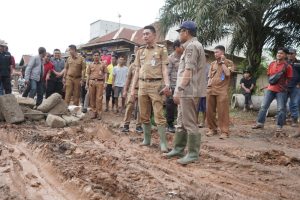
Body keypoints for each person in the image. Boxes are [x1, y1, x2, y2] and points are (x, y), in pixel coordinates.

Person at [165, 21, 206, 165]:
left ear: (186, 32)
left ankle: (193, 154)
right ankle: (178, 149)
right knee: (181, 122)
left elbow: (188, 71)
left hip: (189, 90)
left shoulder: (192, 47)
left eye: (180, 32)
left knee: (189, 122)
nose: (179, 35)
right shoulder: (191, 46)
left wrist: (179, 89)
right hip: (187, 90)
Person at [130, 25, 171, 152]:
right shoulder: (140, 51)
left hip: (156, 85)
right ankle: (146, 139)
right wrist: (133, 88)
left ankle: (163, 143)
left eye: (147, 34)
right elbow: (137, 70)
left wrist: (167, 84)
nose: (145, 36)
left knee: (159, 115)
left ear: (154, 35)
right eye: (144, 34)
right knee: (143, 114)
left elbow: (164, 68)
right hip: (142, 85)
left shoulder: (161, 49)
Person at [252, 47, 293, 134]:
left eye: (281, 53)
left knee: (281, 109)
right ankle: (260, 123)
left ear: (285, 55)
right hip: (270, 89)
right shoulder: (271, 64)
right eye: (278, 53)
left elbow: (289, 78)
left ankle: (279, 127)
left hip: (281, 91)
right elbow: (269, 75)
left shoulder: (288, 66)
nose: (279, 54)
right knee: (263, 106)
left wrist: (284, 87)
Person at [206, 45, 235, 139]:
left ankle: (224, 132)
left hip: (222, 91)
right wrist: (208, 86)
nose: (215, 54)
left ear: (222, 53)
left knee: (223, 112)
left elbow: (227, 73)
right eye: (214, 52)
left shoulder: (229, 62)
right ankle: (212, 129)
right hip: (211, 89)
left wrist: (222, 62)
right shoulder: (212, 63)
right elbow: (210, 76)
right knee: (210, 111)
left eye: (217, 52)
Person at [121, 53, 143, 133]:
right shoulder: (132, 66)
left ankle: (139, 126)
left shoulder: (146, 65)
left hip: (143, 89)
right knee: (129, 106)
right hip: (133, 89)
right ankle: (126, 125)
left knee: (141, 108)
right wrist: (125, 90)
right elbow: (128, 79)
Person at [166, 39, 183, 133]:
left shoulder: (184, 57)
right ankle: (170, 124)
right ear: (176, 48)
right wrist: (168, 86)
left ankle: (180, 124)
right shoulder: (170, 58)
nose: (183, 47)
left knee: (182, 106)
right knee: (170, 106)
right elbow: (167, 73)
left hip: (182, 86)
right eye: (181, 46)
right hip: (172, 85)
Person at [85, 50, 107, 120]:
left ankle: (99, 113)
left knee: (99, 98)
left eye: (97, 55)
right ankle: (94, 113)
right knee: (92, 98)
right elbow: (88, 74)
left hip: (100, 82)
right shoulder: (90, 65)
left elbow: (106, 73)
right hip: (92, 82)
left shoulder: (103, 64)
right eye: (95, 55)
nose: (96, 56)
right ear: (93, 56)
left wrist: (105, 82)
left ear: (99, 56)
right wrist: (86, 84)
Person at [287, 48, 300, 127]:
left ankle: (294, 120)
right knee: (283, 102)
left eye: (292, 53)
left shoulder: (298, 63)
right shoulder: (285, 63)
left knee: (294, 103)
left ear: (295, 54)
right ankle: (283, 118)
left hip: (295, 86)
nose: (290, 55)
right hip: (285, 86)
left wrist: (299, 84)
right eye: (288, 53)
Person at [198, 53, 211, 128]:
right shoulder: (197, 66)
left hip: (205, 89)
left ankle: (203, 121)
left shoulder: (209, 67)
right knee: (196, 106)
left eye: (204, 57)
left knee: (204, 106)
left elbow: (210, 78)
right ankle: (195, 121)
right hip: (197, 89)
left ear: (206, 59)